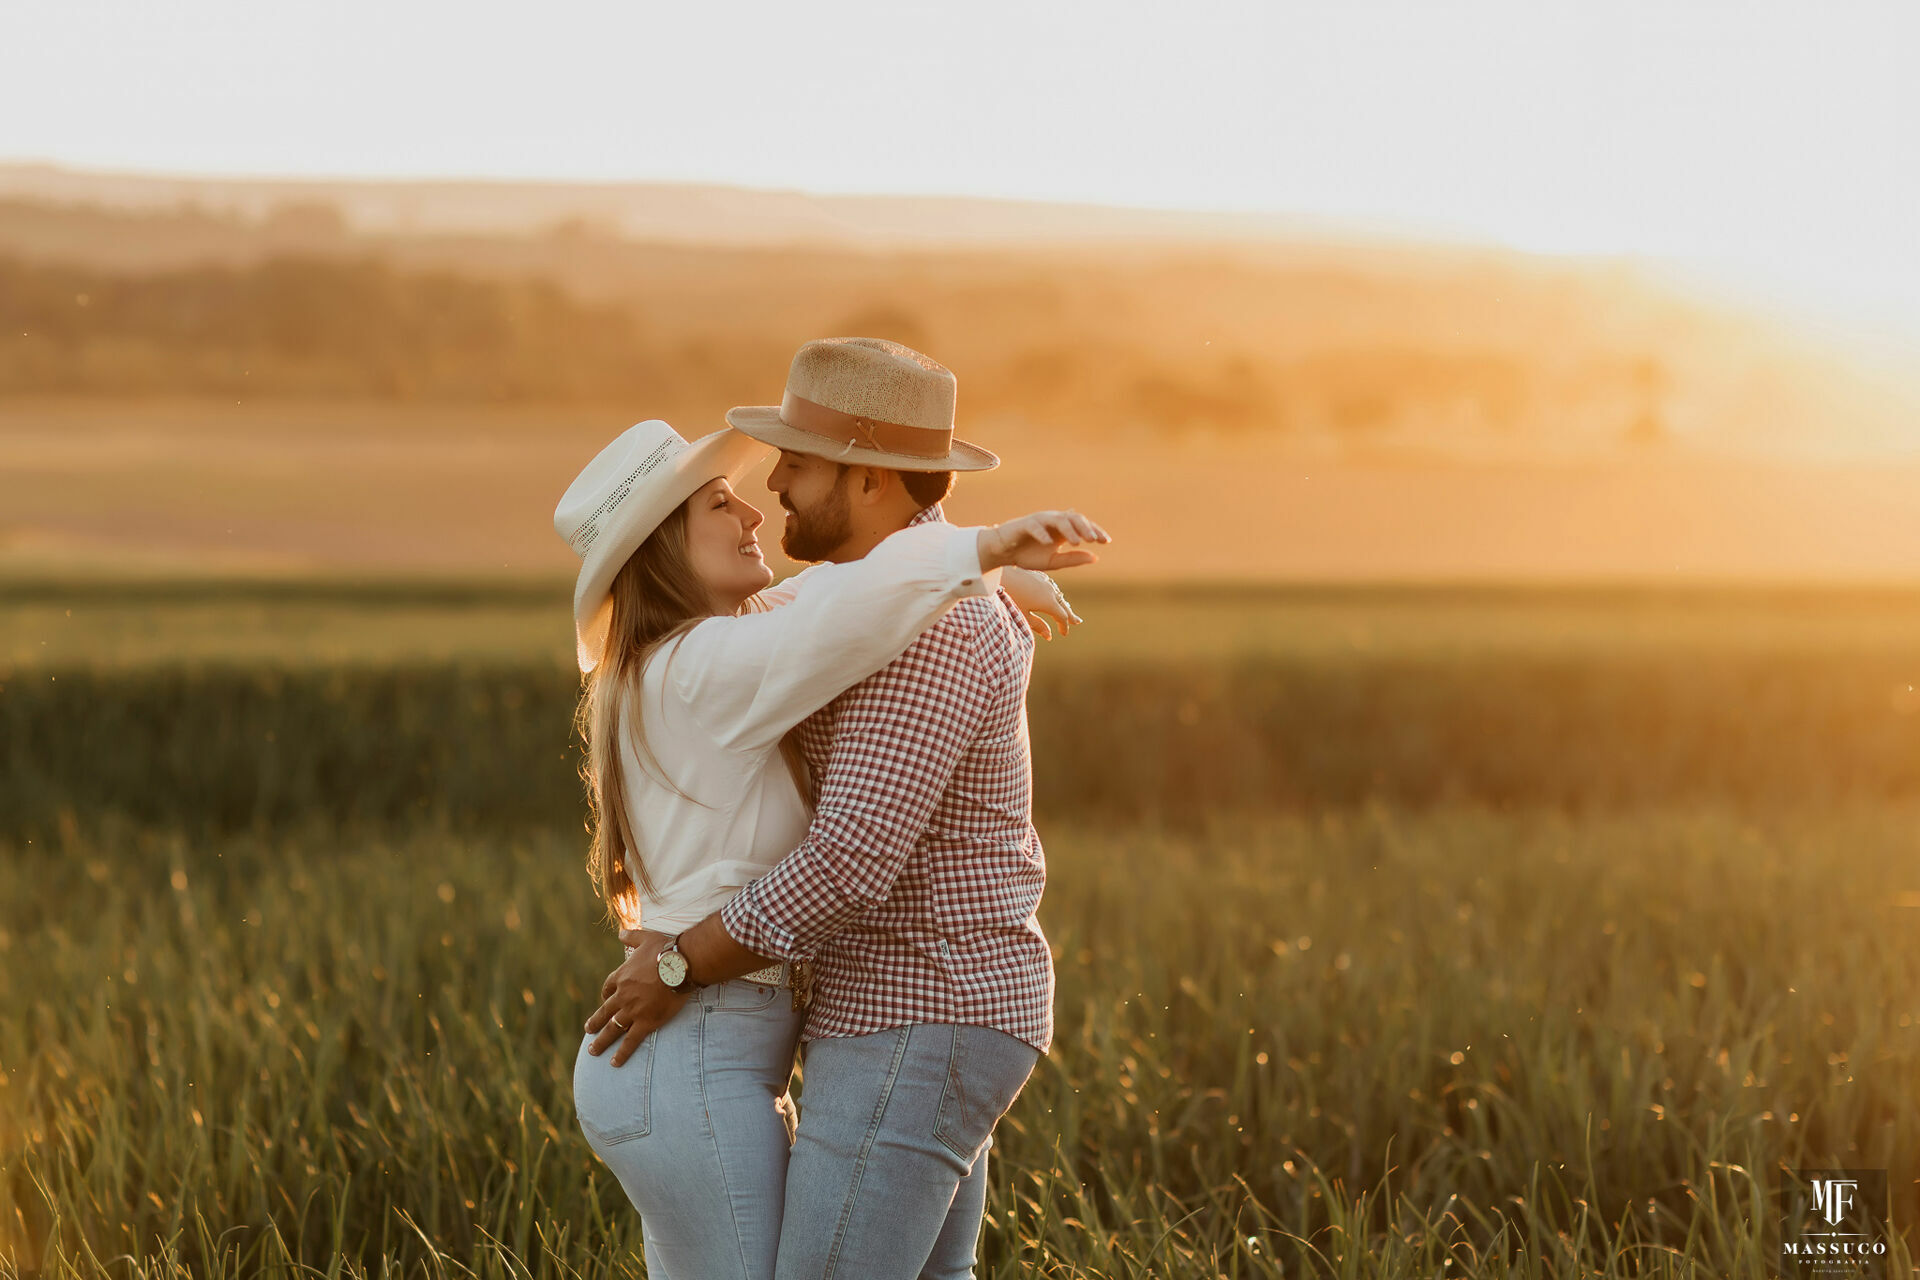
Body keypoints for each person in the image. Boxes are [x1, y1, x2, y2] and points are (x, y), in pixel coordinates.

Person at [558, 373, 1108, 1279]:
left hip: (829, 1022)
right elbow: (833, 613)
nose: (763, 496)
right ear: (663, 551)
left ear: (865, 480)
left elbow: (829, 618)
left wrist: (987, 567)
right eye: (719, 501)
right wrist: (980, 555)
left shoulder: (735, 647)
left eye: (791, 466)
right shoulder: (702, 665)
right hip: (708, 1044)